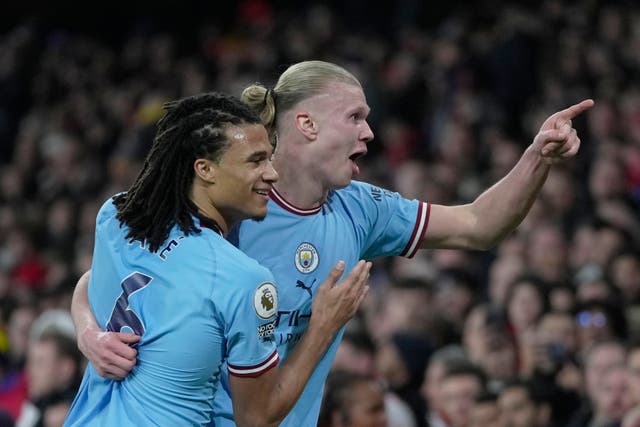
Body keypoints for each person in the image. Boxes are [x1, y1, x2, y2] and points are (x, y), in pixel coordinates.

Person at [71, 61, 594, 426]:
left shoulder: (361, 208)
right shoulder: (234, 202)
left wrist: (537, 158)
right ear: (306, 124)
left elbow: (479, 225)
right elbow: (116, 274)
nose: (370, 132)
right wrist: (89, 331)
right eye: (356, 117)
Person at [63, 91, 371, 426]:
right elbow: (256, 418)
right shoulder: (242, 279)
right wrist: (323, 328)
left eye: (269, 158)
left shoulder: (119, 217)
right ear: (205, 169)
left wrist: (88, 331)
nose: (272, 173)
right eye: (255, 161)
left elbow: (94, 280)